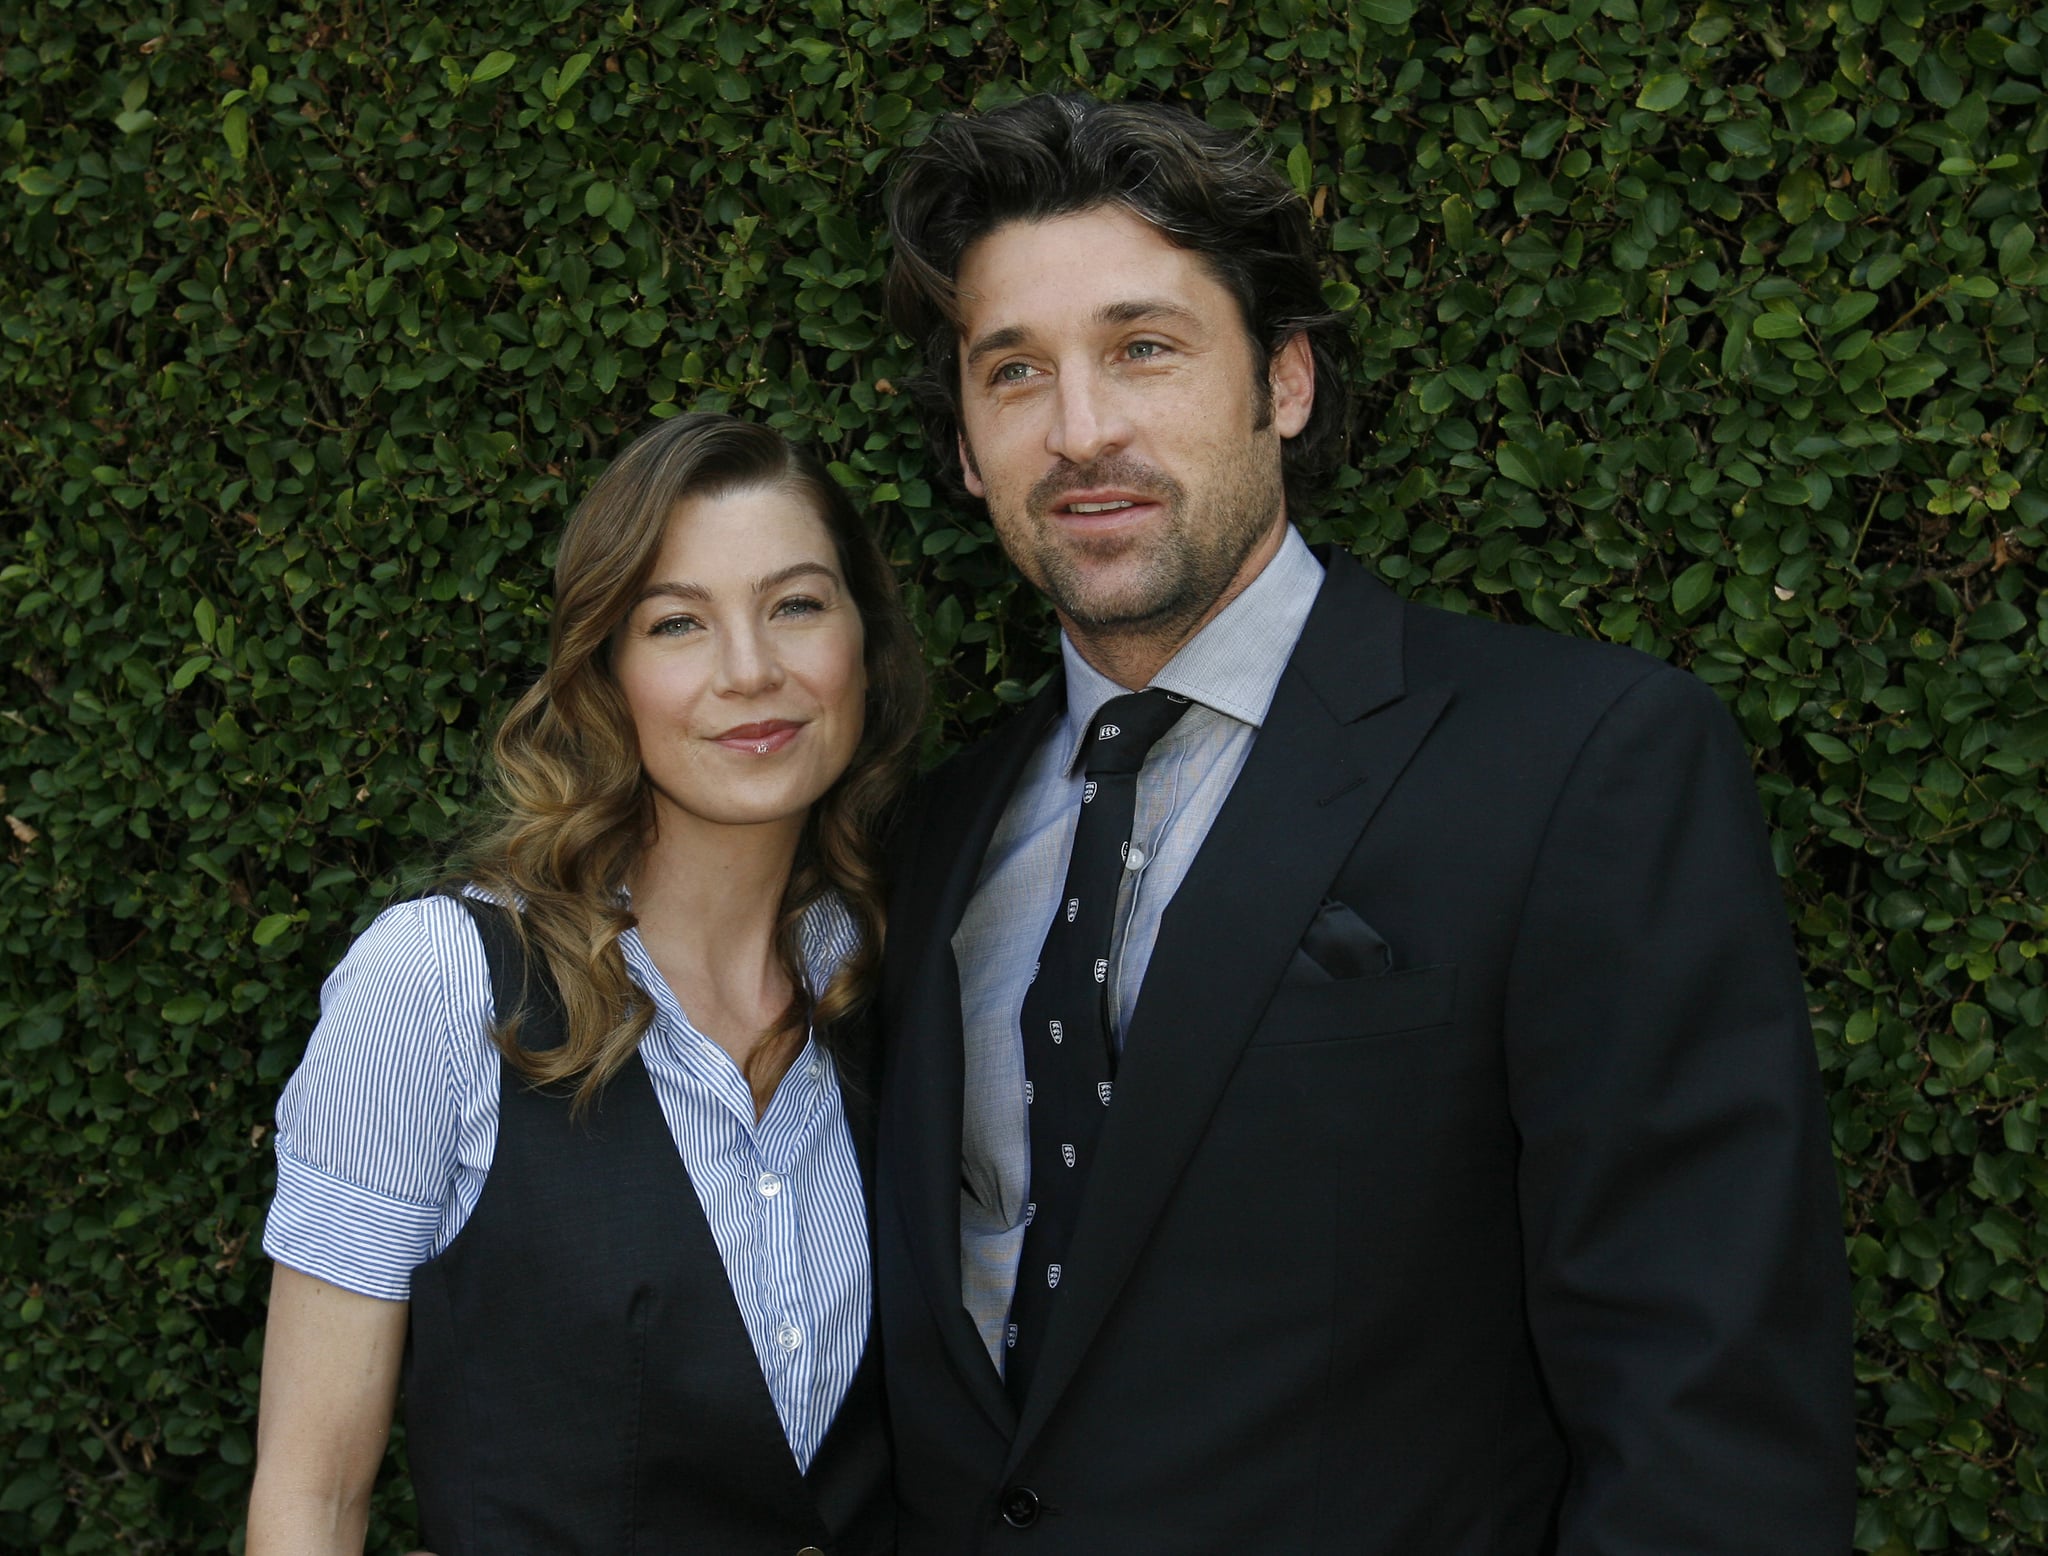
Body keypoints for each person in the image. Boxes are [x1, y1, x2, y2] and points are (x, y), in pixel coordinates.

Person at [871, 93, 1853, 1552]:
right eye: (1014, 373)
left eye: (1145, 347)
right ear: (965, 447)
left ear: (1285, 383)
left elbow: (1705, 1403)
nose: (1082, 431)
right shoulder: (929, 836)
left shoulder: (1581, 764)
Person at [245, 413, 920, 1554]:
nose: (750, 669)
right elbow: (309, 1499)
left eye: (796, 603)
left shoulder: (891, 970)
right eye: (675, 623)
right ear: (603, 668)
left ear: (865, 638)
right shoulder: (436, 984)